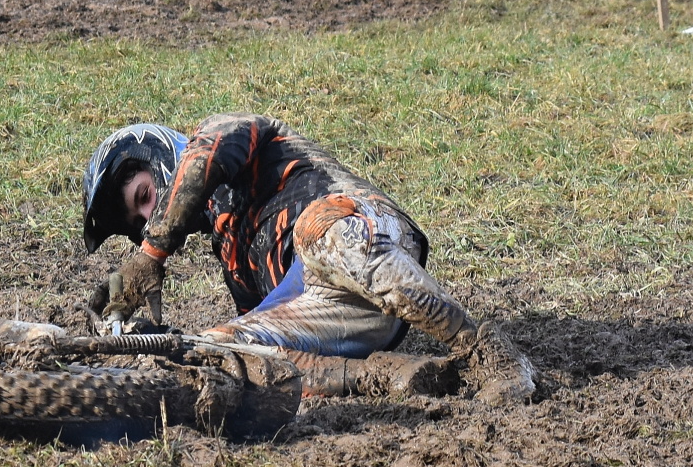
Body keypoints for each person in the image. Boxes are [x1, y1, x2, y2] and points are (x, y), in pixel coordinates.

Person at [80, 113, 535, 404]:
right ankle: (389, 376)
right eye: (140, 220)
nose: (149, 215)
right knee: (219, 350)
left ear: (158, 154)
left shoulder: (222, 132)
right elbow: (268, 347)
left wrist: (150, 255)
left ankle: (485, 352)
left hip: (361, 231)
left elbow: (206, 157)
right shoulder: (234, 261)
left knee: (316, 230)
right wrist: (157, 341)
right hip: (342, 313)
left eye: (144, 195)